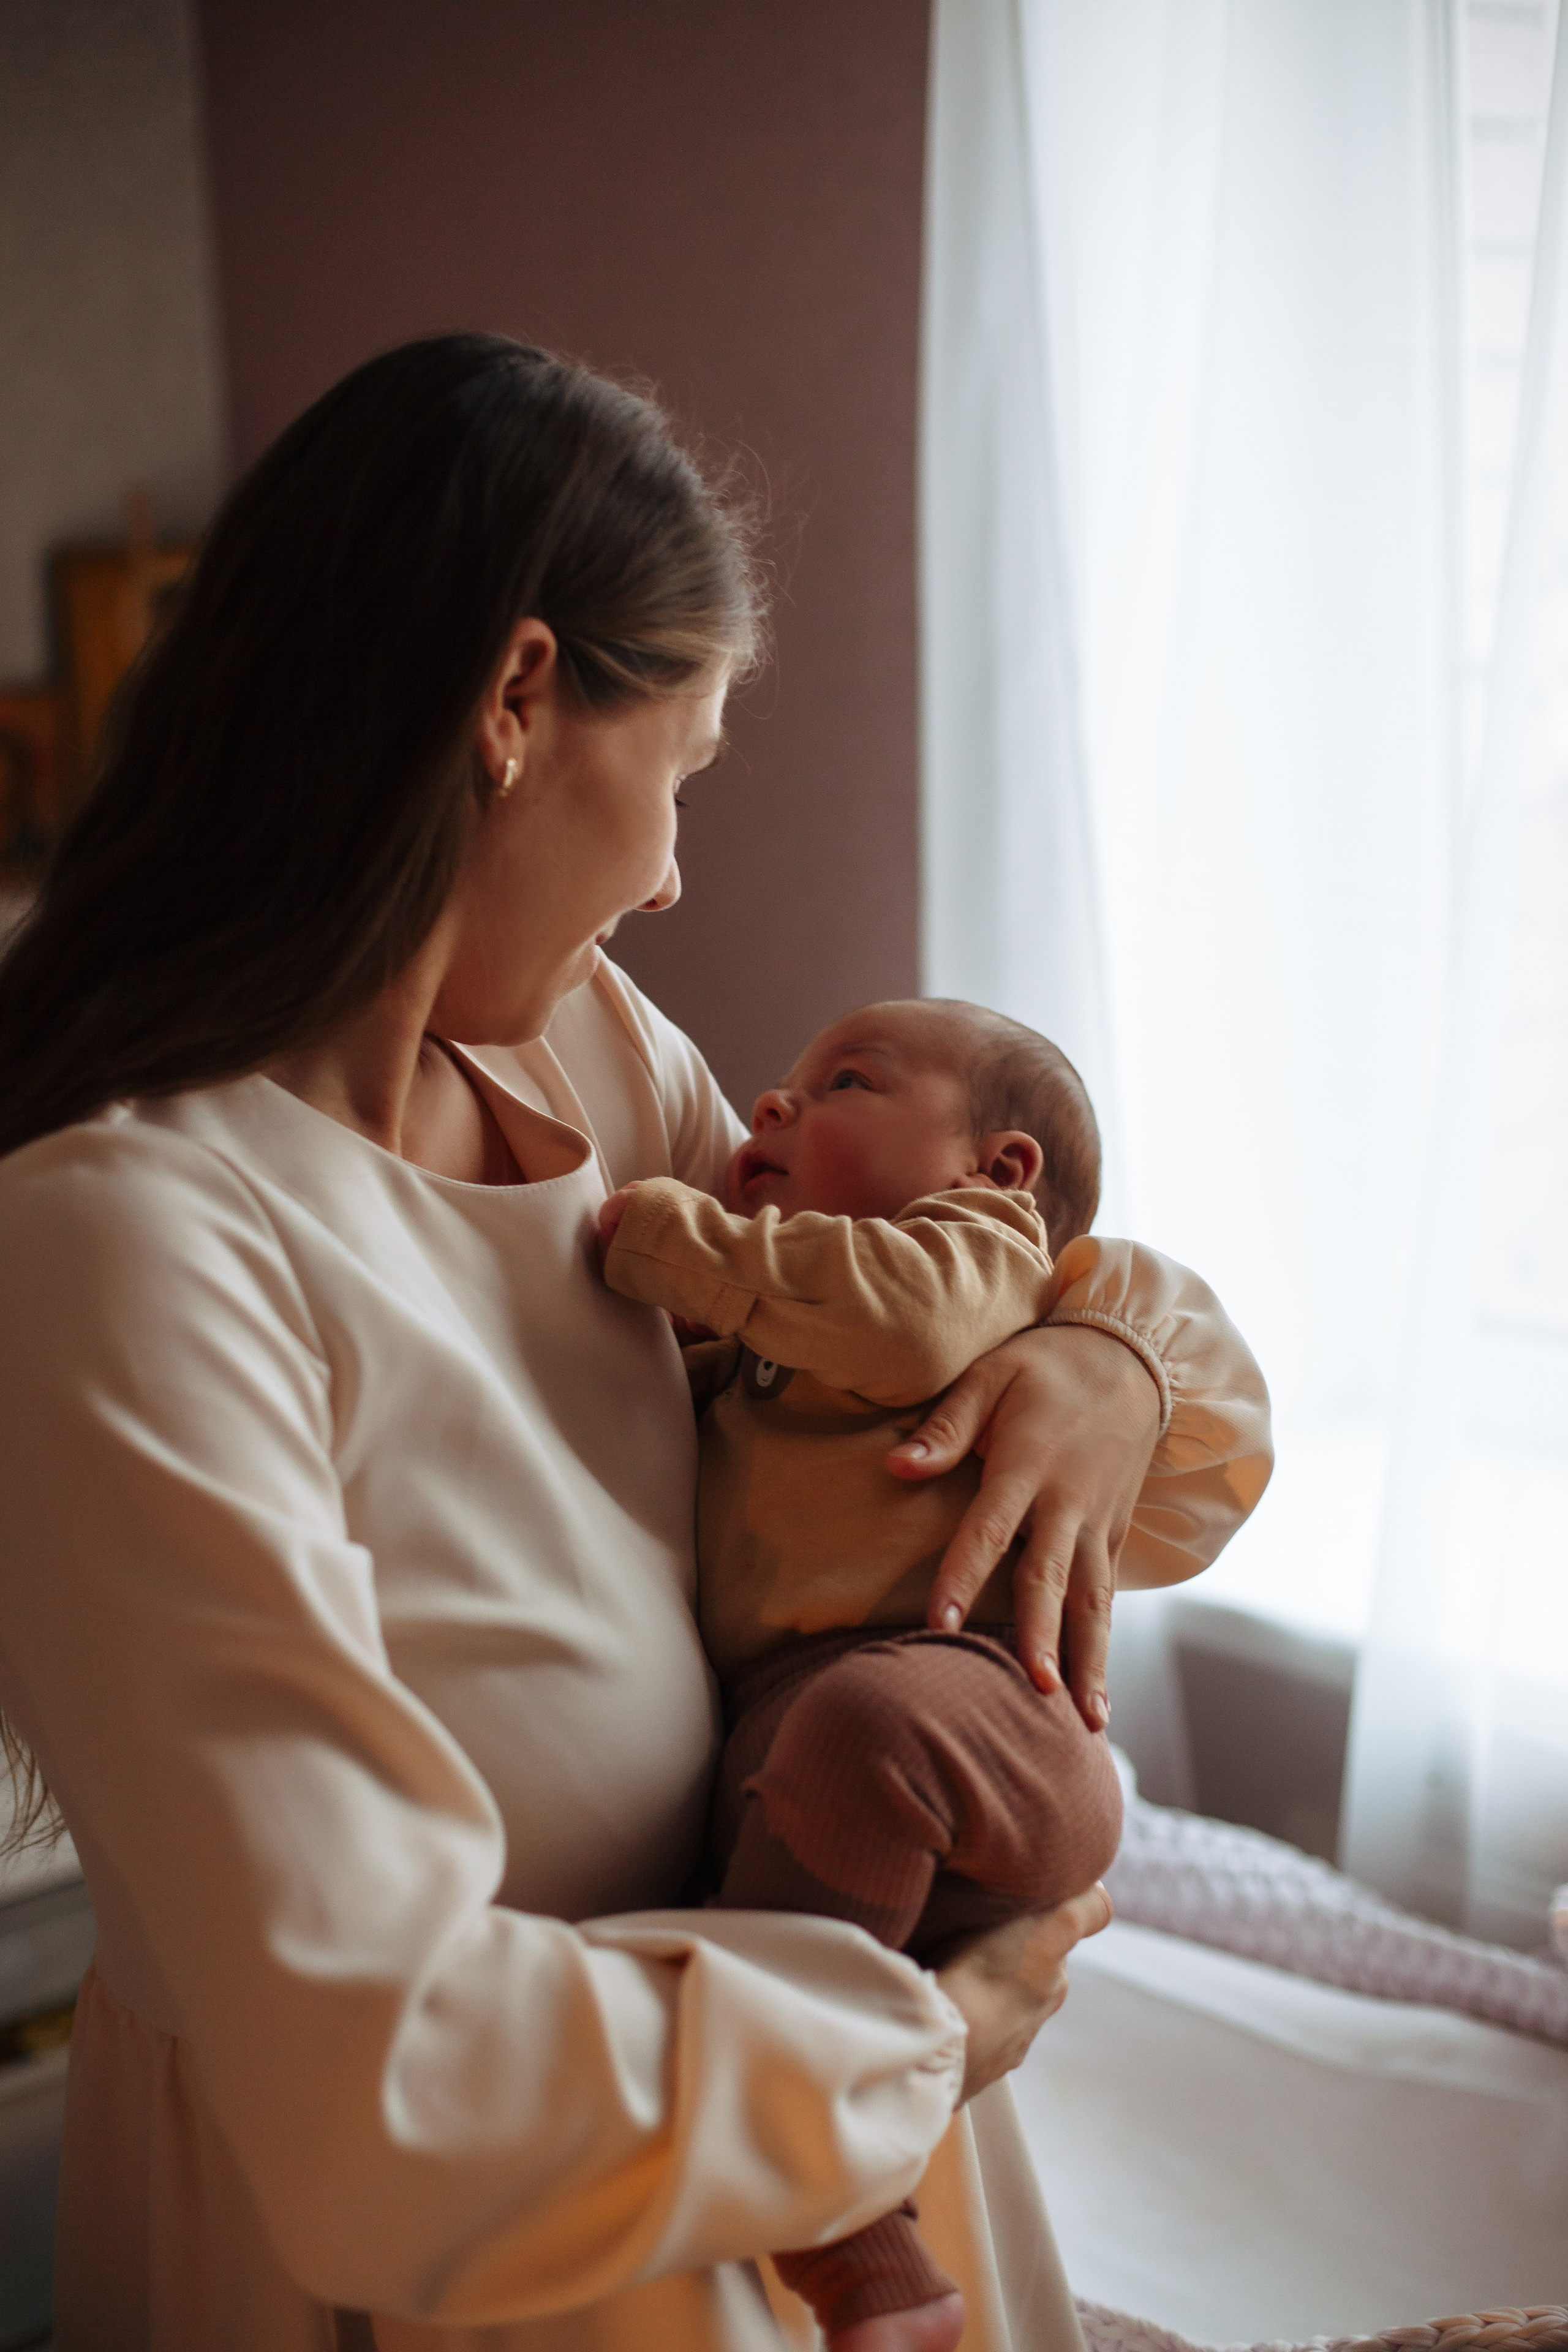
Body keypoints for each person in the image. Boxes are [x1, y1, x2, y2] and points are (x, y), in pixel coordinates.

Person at [0, 333, 1273, 2352]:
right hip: (486, 2252)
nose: (676, 870)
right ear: (518, 700)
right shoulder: (129, 1242)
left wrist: (1110, 1361)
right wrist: (916, 2043)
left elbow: (993, 1303)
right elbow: (377, 2090)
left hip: (791, 2149)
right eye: (676, 770)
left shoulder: (587, 1053)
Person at [595, 998, 1134, 2351]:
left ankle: (820, 2199)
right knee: (740, 1898)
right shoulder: (781, 1343)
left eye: (839, 1082)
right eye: (775, 1084)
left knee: (856, 1728)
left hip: (984, 1720)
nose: (769, 1108)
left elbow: (890, 1330)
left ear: (995, 1170)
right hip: (827, 1757)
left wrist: (673, 1245)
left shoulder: (966, 1261)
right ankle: (866, 2259)